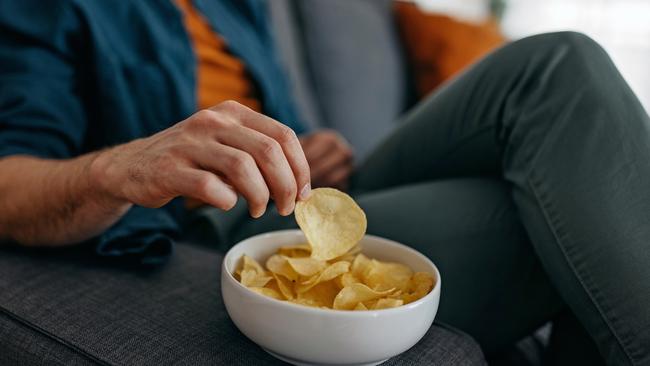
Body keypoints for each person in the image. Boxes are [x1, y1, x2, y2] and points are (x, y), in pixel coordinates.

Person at [0, 1, 648, 365]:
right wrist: (125, 166)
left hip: (310, 194)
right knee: (559, 212)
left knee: (559, 62)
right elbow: (9, 184)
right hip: (212, 218)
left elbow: (273, 123)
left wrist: (306, 147)